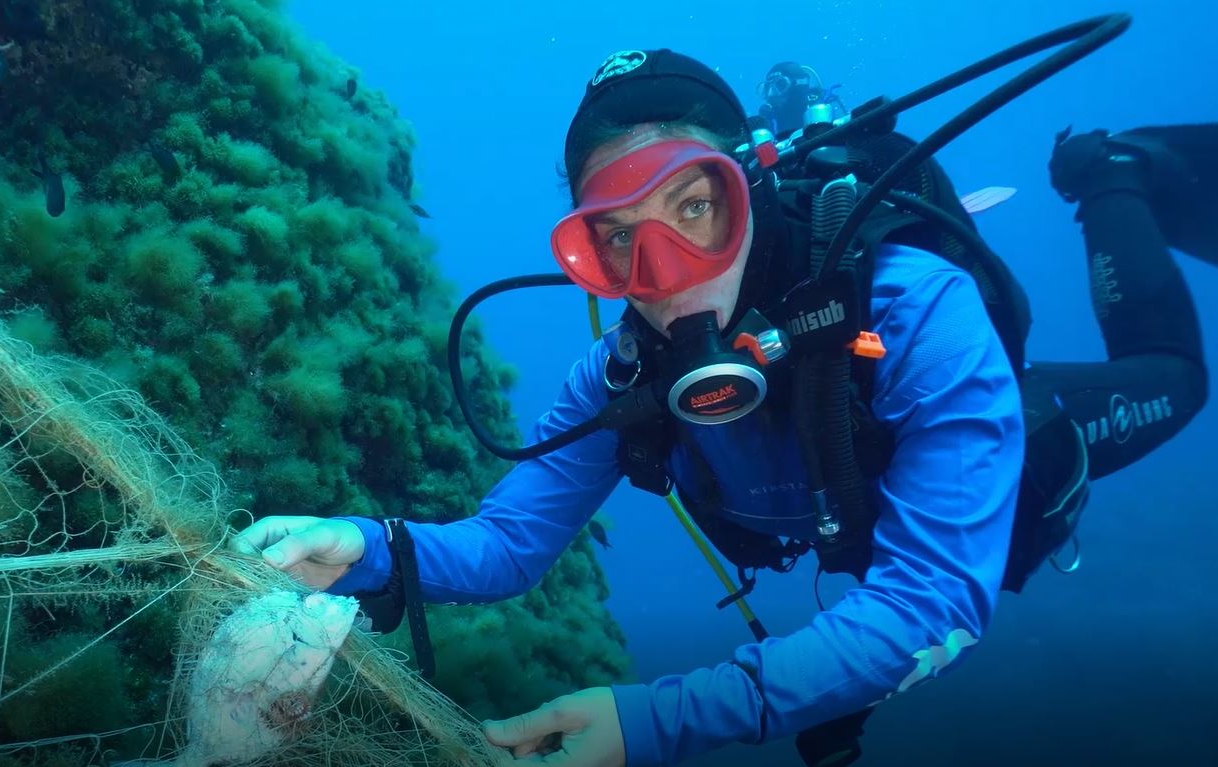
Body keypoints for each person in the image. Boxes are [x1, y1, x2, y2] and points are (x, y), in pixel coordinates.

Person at [233, 46, 1210, 767]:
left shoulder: (914, 308)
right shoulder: (617, 386)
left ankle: (1109, 175)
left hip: (1010, 446)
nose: (662, 279)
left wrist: (657, 716)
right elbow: (502, 548)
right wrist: (365, 545)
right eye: (615, 238)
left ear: (748, 191)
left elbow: (933, 596)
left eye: (693, 209)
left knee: (1172, 378)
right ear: (587, 257)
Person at [756, 60, 847, 137]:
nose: (771, 94)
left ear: (797, 86)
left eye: (780, 85)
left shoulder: (823, 104)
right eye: (767, 88)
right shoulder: (769, 118)